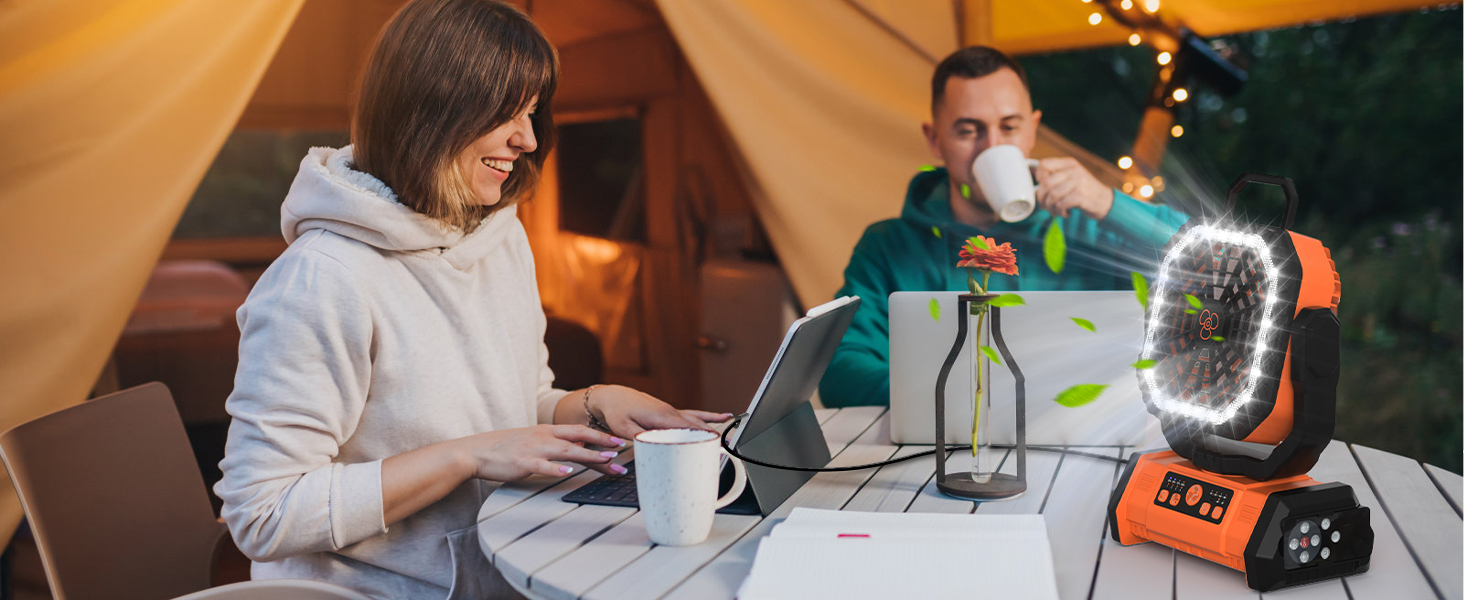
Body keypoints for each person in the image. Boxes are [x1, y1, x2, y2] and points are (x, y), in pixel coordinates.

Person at [213, 1, 729, 597]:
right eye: (508, 112)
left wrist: (593, 403)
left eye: (533, 113)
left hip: (502, 572)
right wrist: (465, 456)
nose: (528, 139)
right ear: (430, 108)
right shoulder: (321, 280)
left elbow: (516, 404)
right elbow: (263, 512)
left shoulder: (499, 234)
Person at [818, 46, 1190, 408]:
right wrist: (956, 401)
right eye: (968, 131)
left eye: (1009, 127)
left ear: (1033, 130)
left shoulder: (1090, 227)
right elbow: (840, 370)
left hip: (1087, 445)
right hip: (943, 447)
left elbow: (1205, 259)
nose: (992, 147)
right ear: (935, 140)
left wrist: (1108, 204)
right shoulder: (887, 247)